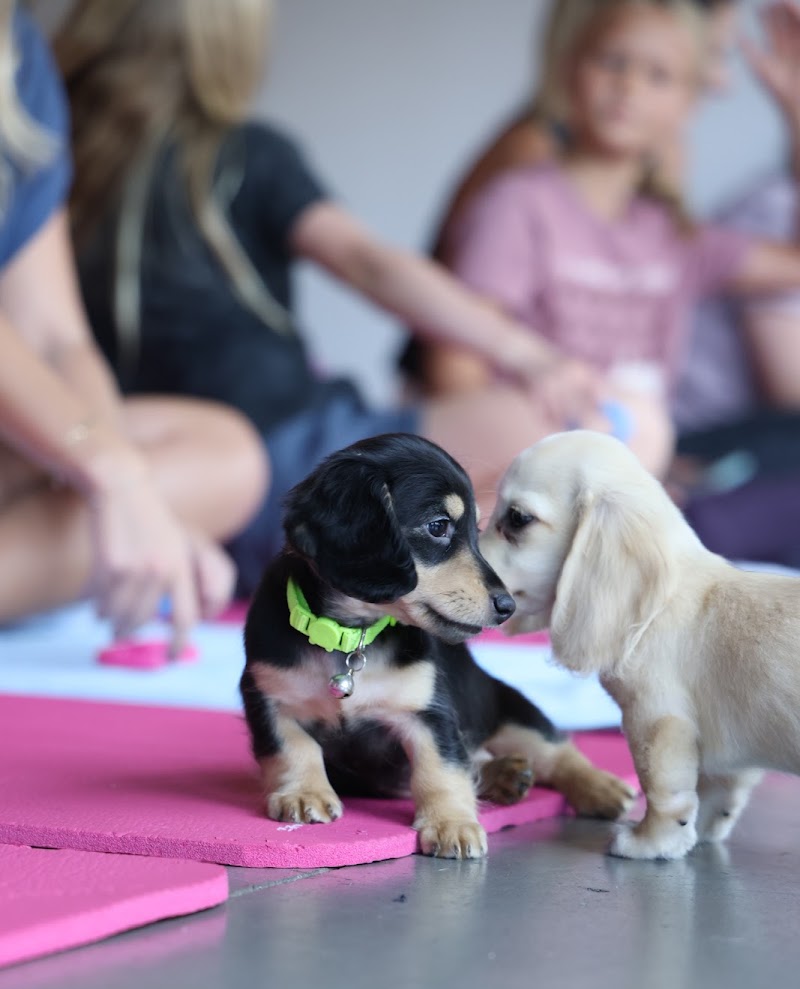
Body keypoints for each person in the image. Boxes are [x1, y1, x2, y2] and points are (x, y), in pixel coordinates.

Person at [56, 0, 675, 597]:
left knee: (620, 422)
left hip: (294, 445)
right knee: (616, 429)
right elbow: (367, 263)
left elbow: (369, 264)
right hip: (238, 462)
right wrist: (527, 353)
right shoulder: (208, 157)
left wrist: (530, 357)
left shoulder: (134, 162)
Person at [416, 0, 800, 537]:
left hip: (634, 465)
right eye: (611, 62)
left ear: (689, 101)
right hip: (533, 476)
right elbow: (454, 368)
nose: (628, 87)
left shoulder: (673, 235)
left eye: (658, 75)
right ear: (567, 68)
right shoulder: (519, 205)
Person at [0, 2, 268, 650]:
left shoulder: (21, 54)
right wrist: (113, 472)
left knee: (227, 456)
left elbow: (56, 339)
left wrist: (136, 504)